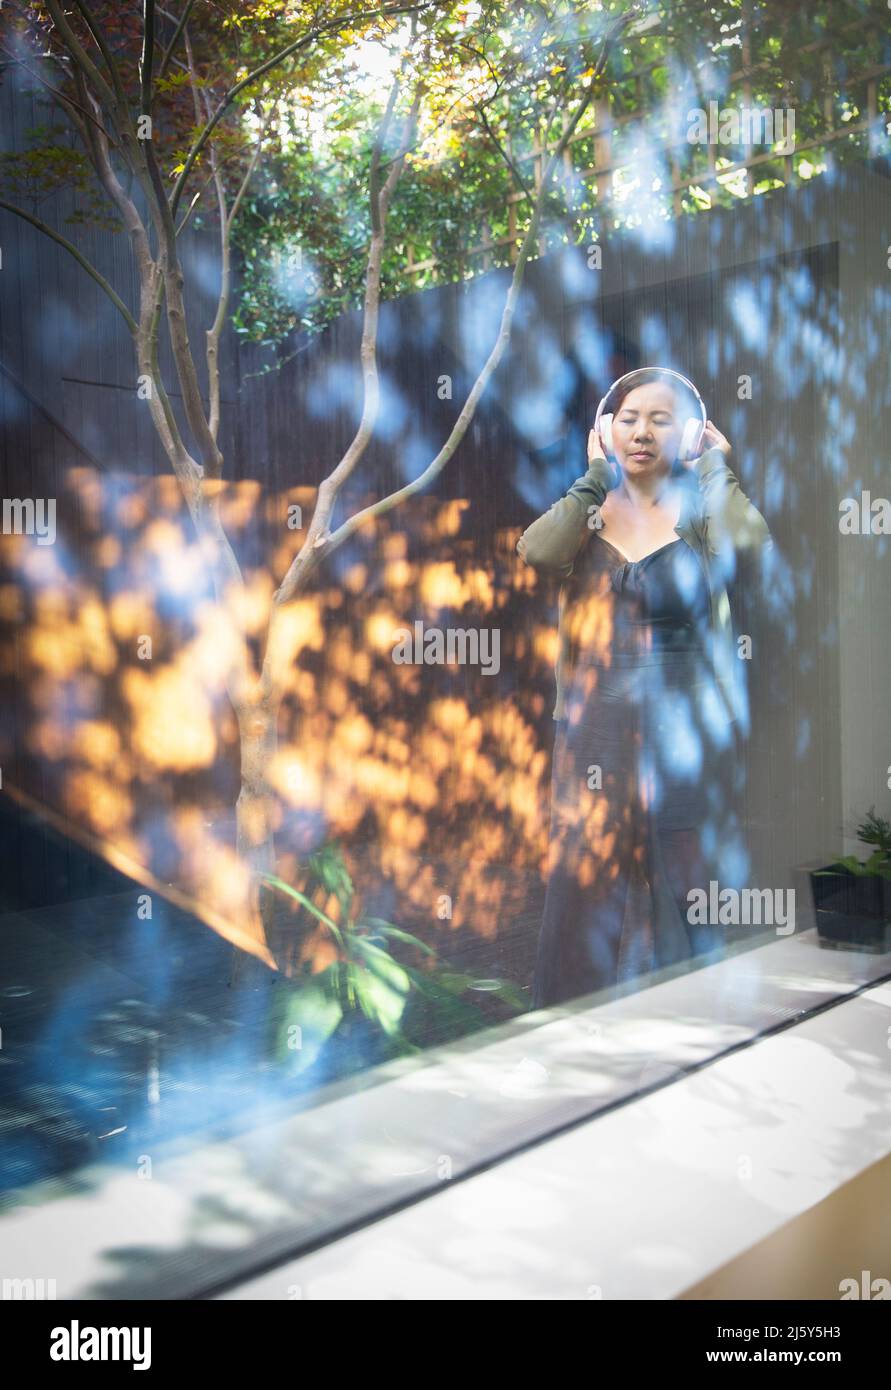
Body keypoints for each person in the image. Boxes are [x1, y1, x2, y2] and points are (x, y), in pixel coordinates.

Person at [517, 368, 772, 1008]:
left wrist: (717, 467)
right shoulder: (586, 513)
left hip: (684, 732)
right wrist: (594, 478)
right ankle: (571, 1029)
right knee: (585, 877)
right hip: (595, 727)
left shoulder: (702, 515)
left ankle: (693, 1019)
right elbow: (538, 553)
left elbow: (751, 543)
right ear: (606, 429)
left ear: (686, 433)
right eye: (629, 417)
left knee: (686, 875)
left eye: (662, 419)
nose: (642, 431)